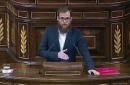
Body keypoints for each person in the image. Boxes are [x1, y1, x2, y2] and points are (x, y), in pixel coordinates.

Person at [38, 6, 100, 75]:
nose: (64, 21)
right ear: (57, 19)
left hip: (71, 71)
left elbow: (85, 52)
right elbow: (41, 51)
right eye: (62, 18)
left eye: (67, 19)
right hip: (51, 70)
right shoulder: (49, 31)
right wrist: (57, 55)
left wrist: (91, 68)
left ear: (71, 19)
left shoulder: (77, 33)